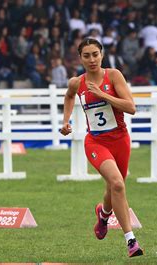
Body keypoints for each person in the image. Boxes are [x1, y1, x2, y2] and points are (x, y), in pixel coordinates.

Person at [60, 38, 143, 258]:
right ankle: (131, 241)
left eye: (95, 54)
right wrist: (66, 121)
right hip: (96, 142)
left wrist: (103, 94)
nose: (92, 59)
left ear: (102, 55)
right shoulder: (76, 83)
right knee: (116, 183)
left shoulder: (114, 76)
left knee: (114, 187)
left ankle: (103, 214)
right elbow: (69, 97)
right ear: (80, 58)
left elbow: (131, 107)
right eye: (86, 55)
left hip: (120, 140)